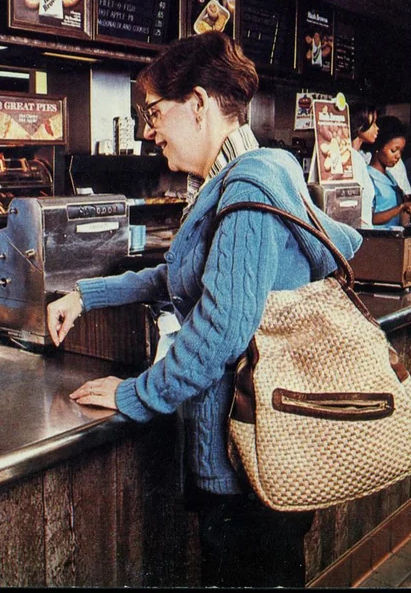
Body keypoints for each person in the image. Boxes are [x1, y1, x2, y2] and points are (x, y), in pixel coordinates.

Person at [46, 31, 362, 588]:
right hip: (263, 449)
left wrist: (133, 394)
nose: (149, 131)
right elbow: (182, 276)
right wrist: (87, 295)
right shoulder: (243, 178)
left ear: (197, 103)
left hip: (248, 462)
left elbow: (220, 331)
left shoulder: (247, 191)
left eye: (153, 113)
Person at [366, 115, 411, 228]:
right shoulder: (369, 177)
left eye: (401, 151)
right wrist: (400, 208)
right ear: (378, 146)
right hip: (379, 236)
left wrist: (409, 208)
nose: (398, 156)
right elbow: (369, 218)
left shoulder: (390, 176)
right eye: (393, 150)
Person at [348, 102, 377, 227]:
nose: (377, 128)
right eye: (373, 123)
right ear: (360, 125)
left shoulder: (359, 157)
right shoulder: (354, 158)